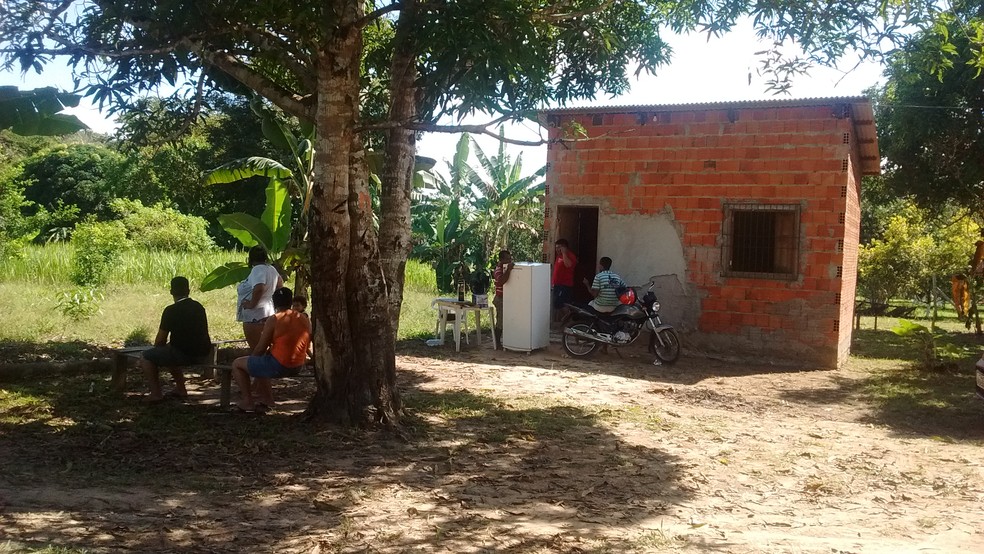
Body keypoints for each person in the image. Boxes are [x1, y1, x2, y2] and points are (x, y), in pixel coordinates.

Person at [231, 287, 311, 413]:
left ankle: (248, 401)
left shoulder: (274, 319)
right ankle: (267, 399)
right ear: (290, 302)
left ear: (274, 303)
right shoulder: (304, 318)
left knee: (238, 364)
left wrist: (252, 360)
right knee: (262, 362)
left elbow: (260, 348)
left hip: (280, 366)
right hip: (299, 364)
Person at [141, 276, 211, 403]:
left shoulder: (170, 311)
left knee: (146, 357)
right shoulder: (198, 307)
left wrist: (158, 348)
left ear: (171, 292)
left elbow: (160, 339)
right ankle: (180, 389)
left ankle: (156, 393)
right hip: (203, 352)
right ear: (188, 290)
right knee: (170, 351)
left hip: (184, 354)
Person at [237, 246, 284, 349]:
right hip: (268, 310)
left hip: (255, 315)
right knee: (268, 347)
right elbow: (280, 284)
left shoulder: (257, 269)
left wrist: (251, 304)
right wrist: (269, 294)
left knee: (257, 349)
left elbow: (259, 288)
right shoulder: (271, 269)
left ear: (250, 258)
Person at [492, 250, 514, 349]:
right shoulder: (498, 270)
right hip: (500, 299)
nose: (509, 261)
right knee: (500, 321)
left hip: (507, 298)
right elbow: (501, 281)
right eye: (507, 259)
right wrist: (508, 270)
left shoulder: (507, 268)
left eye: (510, 259)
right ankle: (497, 342)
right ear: (501, 260)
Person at [552, 238, 577, 321]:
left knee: (561, 304)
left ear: (564, 247)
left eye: (559, 247)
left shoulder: (570, 256)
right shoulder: (559, 256)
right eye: (556, 248)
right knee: (557, 304)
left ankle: (570, 322)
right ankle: (561, 323)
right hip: (557, 285)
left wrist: (564, 253)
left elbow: (568, 265)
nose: (557, 250)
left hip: (564, 285)